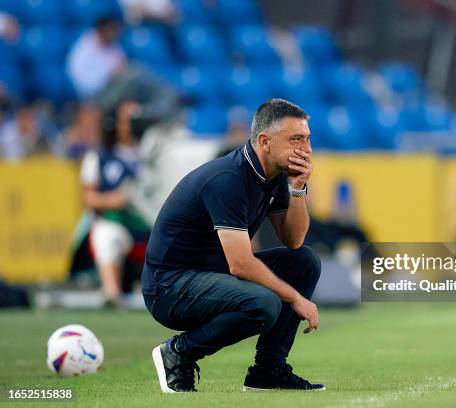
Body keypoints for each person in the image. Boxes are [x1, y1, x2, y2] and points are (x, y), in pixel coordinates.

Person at [142, 99, 324, 393]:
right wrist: (294, 298)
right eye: (296, 139)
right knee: (264, 304)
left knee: (304, 261)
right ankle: (178, 352)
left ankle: (268, 371)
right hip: (169, 287)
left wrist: (298, 188)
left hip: (211, 276)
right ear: (264, 142)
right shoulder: (228, 178)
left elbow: (294, 240)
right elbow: (240, 263)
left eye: (307, 139)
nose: (306, 148)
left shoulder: (274, 176)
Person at [80, 101, 150, 306]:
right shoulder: (100, 156)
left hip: (153, 224)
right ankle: (112, 293)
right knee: (106, 234)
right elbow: (89, 198)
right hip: (120, 223)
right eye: (130, 120)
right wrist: (115, 199)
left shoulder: (153, 154)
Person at [67, 14, 126, 100]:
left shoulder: (115, 47)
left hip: (113, 92)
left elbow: (122, 68)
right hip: (92, 96)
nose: (114, 34)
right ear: (102, 30)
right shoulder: (84, 49)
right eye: (110, 30)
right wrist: (108, 75)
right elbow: (81, 81)